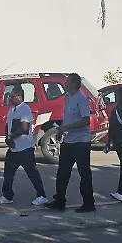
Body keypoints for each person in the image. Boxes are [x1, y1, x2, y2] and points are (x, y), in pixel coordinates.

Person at [46, 73, 95, 212]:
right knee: (62, 172)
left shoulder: (81, 99)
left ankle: (89, 203)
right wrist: (62, 130)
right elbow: (68, 118)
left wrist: (67, 127)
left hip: (81, 142)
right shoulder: (68, 97)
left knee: (84, 173)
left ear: (74, 84)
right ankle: (59, 200)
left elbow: (86, 120)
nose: (65, 84)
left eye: (67, 82)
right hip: (68, 141)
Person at [1, 86, 47, 206]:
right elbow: (8, 126)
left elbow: (24, 128)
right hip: (13, 147)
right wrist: (7, 137)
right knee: (8, 173)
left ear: (20, 97)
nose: (10, 98)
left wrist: (11, 137)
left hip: (24, 147)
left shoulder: (25, 110)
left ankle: (42, 195)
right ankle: (7, 195)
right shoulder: (11, 110)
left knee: (31, 172)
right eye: (10, 96)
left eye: (12, 96)